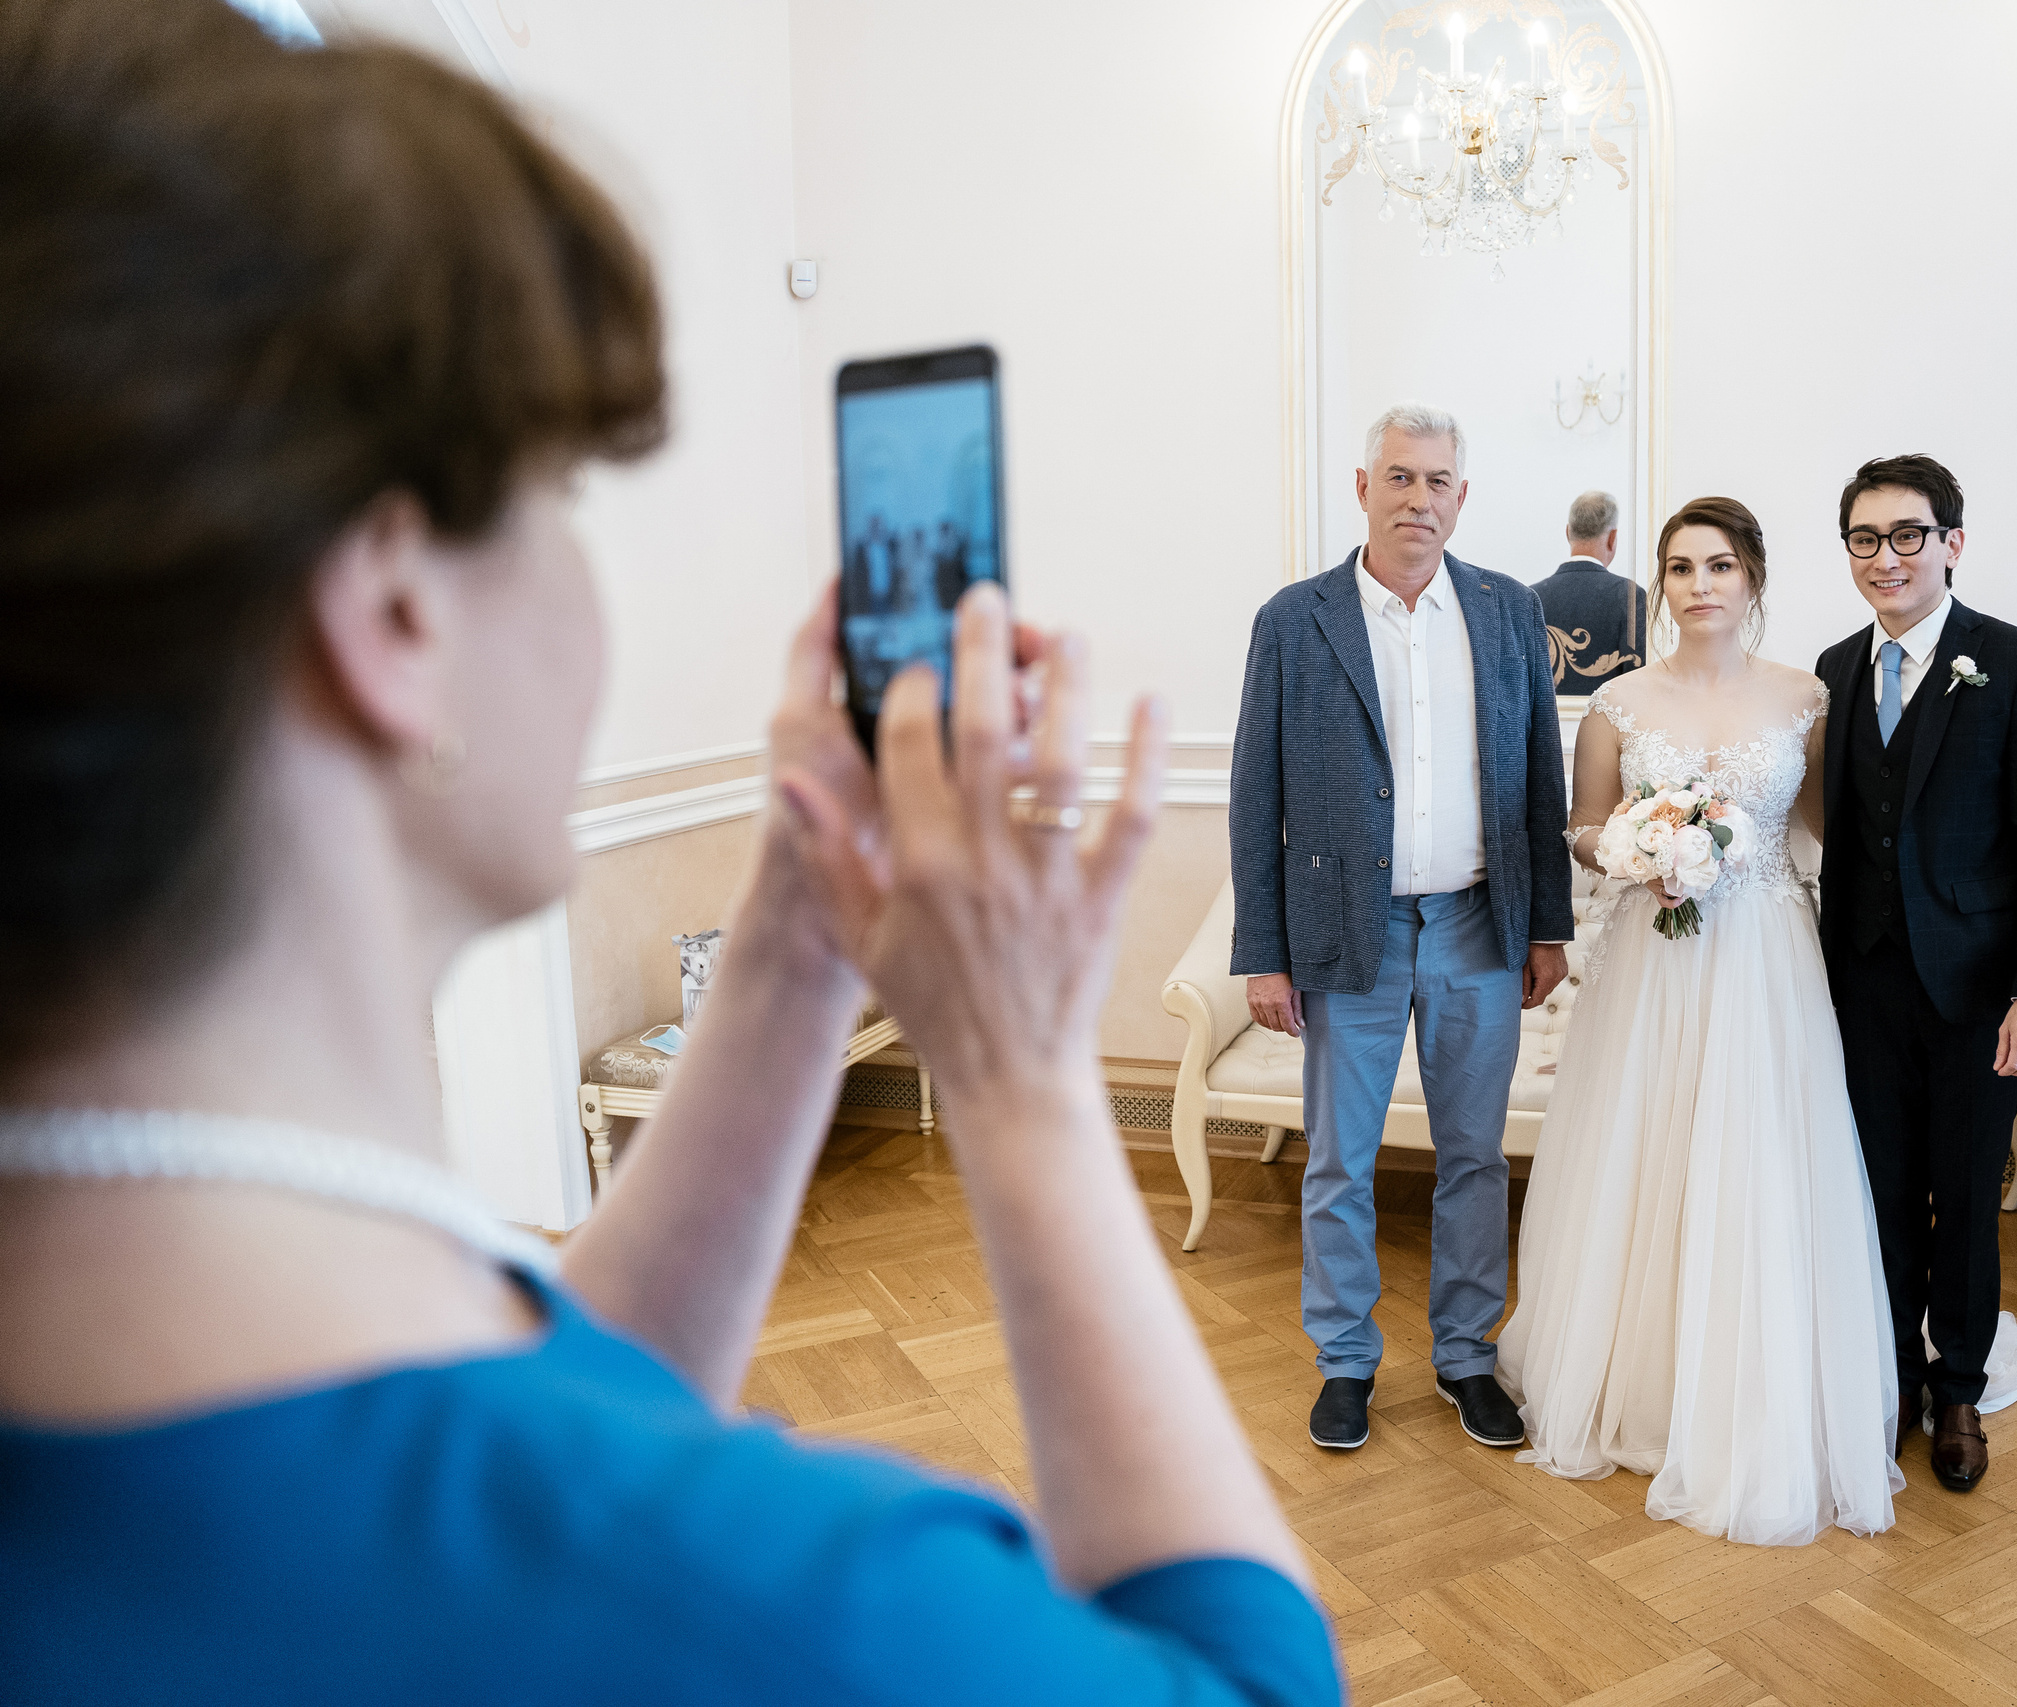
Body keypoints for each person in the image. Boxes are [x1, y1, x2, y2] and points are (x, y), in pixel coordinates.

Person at [0, 7, 1338, 1703]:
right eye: (560, 494)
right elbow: (1247, 1673)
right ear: (395, 609)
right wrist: (1020, 1079)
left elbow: (547, 1413)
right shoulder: (795, 1609)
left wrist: (794, 943)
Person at [1497, 497, 1902, 1544]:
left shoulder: (1808, 699)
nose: (1698, 585)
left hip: (1766, 954)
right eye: (1679, 568)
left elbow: (1829, 831)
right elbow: (1581, 829)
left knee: (1758, 1157)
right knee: (1649, 1153)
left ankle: (1751, 1388)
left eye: (1718, 566)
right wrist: (1637, 845)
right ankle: (1639, 1381)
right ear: (1660, 583)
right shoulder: (1617, 704)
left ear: (1753, 577)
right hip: (1650, 960)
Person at [1230, 403, 1572, 1454]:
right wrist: (1263, 952)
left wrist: (1546, 926)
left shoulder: (1510, 614)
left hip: (1479, 926)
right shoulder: (1296, 621)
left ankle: (1467, 1358)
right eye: (1399, 477)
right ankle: (1344, 1363)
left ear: (1460, 498)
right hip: (1347, 936)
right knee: (1339, 1161)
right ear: (1363, 487)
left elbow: (1538, 779)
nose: (1417, 499)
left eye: (1437, 482)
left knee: (1473, 1160)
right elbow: (1255, 794)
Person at [1812, 456, 2017, 1496]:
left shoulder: (2015, 662)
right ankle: (1891, 1378)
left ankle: (1958, 1387)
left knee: (1964, 1194)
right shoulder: (1832, 669)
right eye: (1866, 540)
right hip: (1860, 982)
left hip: (1977, 989)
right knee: (1876, 1192)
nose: (1887, 557)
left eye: (1908, 535)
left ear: (1951, 543)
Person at [1531, 490, 1646, 693]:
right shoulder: (1630, 596)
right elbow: (1638, 681)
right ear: (1612, 538)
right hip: (1608, 723)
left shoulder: (1531, 597)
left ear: (1568, 533)